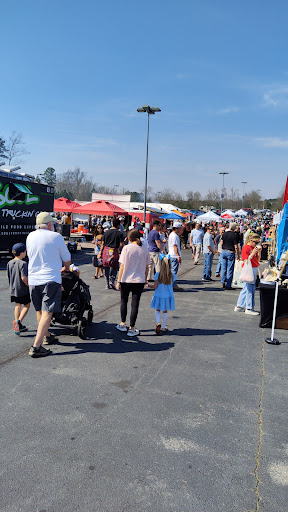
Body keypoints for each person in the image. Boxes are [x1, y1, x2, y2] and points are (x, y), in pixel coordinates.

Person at [26, 212, 71, 358]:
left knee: (40, 310)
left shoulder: (30, 236)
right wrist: (66, 268)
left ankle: (47, 335)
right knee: (48, 312)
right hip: (50, 278)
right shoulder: (56, 237)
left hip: (33, 279)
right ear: (50, 224)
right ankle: (36, 346)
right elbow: (67, 259)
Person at [116, 229, 150, 336]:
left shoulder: (126, 248)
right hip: (139, 280)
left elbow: (122, 266)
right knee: (135, 304)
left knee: (123, 301)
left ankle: (122, 323)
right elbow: (147, 267)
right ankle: (131, 327)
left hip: (126, 279)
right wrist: (145, 278)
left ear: (130, 239)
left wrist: (118, 280)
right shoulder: (145, 249)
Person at [234, 234, 261, 315]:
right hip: (249, 269)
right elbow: (246, 261)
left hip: (253, 267)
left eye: (258, 242)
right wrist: (253, 253)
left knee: (246, 288)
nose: (256, 244)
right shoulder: (246, 247)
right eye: (255, 242)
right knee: (250, 288)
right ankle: (249, 308)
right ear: (250, 241)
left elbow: (257, 260)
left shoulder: (253, 248)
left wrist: (258, 252)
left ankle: (240, 306)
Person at [7, 242, 30, 335]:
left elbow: (8, 275)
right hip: (22, 289)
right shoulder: (23, 263)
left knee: (17, 305)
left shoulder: (9, 262)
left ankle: (17, 322)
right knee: (27, 305)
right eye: (25, 251)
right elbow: (23, 277)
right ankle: (18, 322)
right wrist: (29, 285)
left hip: (13, 289)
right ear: (22, 253)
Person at [150, 254, 175, 334]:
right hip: (167, 296)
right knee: (165, 311)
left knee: (157, 309)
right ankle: (164, 327)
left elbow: (155, 286)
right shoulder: (171, 276)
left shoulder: (158, 275)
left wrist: (147, 285)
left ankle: (158, 323)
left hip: (158, 295)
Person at [99, 218, 124, 289]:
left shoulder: (106, 233)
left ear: (112, 224)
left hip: (106, 251)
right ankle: (112, 281)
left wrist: (100, 253)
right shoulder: (120, 234)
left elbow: (102, 244)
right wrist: (122, 252)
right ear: (118, 225)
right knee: (115, 267)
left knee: (106, 267)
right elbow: (121, 245)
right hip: (114, 251)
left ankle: (107, 283)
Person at [220, 222, 240, 290]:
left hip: (224, 251)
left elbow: (221, 243)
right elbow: (236, 246)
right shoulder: (235, 235)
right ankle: (228, 284)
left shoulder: (225, 233)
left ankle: (222, 281)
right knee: (230, 269)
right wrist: (238, 255)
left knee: (223, 268)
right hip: (230, 251)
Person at [168, 221, 183, 290]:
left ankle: (172, 283)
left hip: (171, 254)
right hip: (174, 255)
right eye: (179, 228)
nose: (180, 230)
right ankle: (172, 284)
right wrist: (178, 256)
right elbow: (175, 247)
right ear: (176, 228)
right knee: (174, 271)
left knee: (172, 270)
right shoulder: (174, 236)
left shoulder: (172, 234)